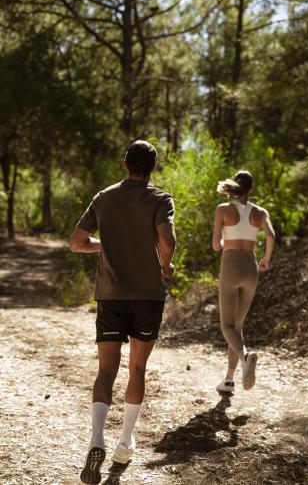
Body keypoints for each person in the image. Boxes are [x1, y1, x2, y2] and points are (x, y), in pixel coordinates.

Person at [70, 140, 176, 485]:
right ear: (152, 168)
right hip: (147, 297)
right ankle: (124, 443)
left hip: (111, 297)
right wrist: (165, 264)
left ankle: (96, 438)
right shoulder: (160, 199)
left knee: (106, 369)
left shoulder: (103, 197)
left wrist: (107, 245)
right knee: (138, 367)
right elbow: (167, 240)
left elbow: (77, 242)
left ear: (124, 162)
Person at [212, 170, 275, 393]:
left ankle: (245, 356)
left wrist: (222, 239)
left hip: (230, 265)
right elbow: (271, 235)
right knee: (237, 326)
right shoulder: (260, 212)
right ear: (251, 188)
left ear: (234, 186)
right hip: (251, 266)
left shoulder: (223, 210)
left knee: (227, 326)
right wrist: (266, 258)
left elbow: (216, 245)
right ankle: (229, 380)